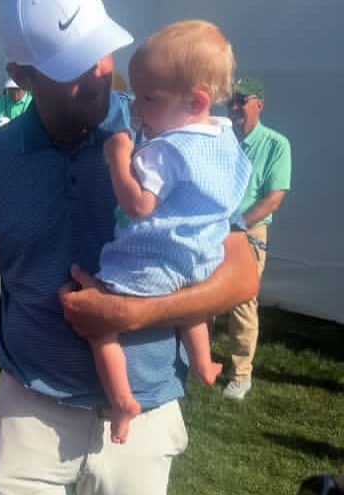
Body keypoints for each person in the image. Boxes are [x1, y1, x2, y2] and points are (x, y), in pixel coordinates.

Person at [0, 0, 259, 495]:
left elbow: (242, 274)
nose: (97, 74)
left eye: (101, 52)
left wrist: (130, 314)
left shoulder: (164, 128)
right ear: (21, 77)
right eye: (72, 64)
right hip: (32, 408)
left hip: (146, 411)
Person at [90, 20, 251, 443]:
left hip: (150, 261)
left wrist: (118, 156)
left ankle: (122, 400)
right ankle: (203, 363)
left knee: (100, 326)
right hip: (201, 257)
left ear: (195, 101)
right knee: (189, 308)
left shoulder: (166, 149)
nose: (137, 108)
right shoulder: (224, 138)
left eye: (149, 98)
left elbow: (138, 205)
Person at [223, 76, 292, 400]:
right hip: (213, 228)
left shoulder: (277, 144)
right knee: (199, 295)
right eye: (231, 102)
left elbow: (272, 199)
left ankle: (240, 374)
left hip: (248, 231)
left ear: (259, 104)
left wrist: (235, 225)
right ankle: (196, 360)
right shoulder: (220, 138)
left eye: (242, 100)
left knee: (241, 301)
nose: (235, 107)